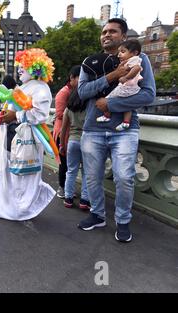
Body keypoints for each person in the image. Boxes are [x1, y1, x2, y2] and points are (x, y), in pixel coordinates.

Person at [77, 18, 156, 243]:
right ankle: (97, 215)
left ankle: (122, 221)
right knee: (92, 178)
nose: (106, 35)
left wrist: (110, 105)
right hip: (92, 129)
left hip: (125, 130)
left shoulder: (140, 59)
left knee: (124, 177)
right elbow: (82, 92)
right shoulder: (90, 62)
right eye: (104, 32)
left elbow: (148, 94)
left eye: (112, 31)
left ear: (123, 36)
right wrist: (111, 76)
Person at [0, 48, 56, 221]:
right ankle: (12, 205)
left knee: (23, 175)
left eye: (23, 66)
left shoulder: (41, 88)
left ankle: (22, 208)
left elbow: (40, 115)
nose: (19, 69)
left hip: (27, 138)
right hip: (13, 135)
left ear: (35, 68)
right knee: (12, 172)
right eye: (19, 65)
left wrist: (15, 115)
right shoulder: (24, 86)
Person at [98, 40, 144, 132]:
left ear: (134, 53)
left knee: (107, 99)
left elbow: (137, 68)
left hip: (126, 86)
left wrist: (125, 78)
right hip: (131, 88)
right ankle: (126, 123)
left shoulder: (134, 60)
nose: (119, 55)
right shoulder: (134, 60)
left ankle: (107, 116)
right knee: (127, 106)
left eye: (122, 52)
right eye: (119, 52)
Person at [60, 85, 90, 210]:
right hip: (87, 141)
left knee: (71, 171)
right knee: (86, 172)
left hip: (72, 141)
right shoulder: (89, 108)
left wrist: (62, 144)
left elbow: (63, 130)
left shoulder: (68, 109)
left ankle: (68, 198)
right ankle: (84, 200)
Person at [53, 66, 81, 199]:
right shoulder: (64, 92)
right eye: (80, 77)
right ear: (72, 78)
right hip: (63, 132)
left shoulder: (77, 91)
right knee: (64, 163)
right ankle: (62, 188)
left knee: (71, 164)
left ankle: (68, 190)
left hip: (73, 132)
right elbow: (59, 114)